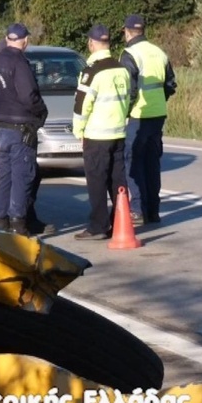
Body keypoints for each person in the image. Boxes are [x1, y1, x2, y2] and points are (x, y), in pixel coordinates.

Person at [0, 23, 49, 235]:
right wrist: (42, 112)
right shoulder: (19, 62)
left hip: (0, 128)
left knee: (5, 176)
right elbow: (29, 95)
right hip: (20, 128)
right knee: (22, 176)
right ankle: (18, 224)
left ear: (7, 38)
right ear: (25, 40)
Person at [72, 24, 132, 240]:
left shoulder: (92, 72)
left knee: (96, 181)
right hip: (118, 134)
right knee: (118, 181)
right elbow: (128, 99)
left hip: (97, 136)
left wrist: (79, 131)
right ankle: (120, 220)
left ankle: (98, 225)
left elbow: (82, 105)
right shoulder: (121, 69)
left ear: (92, 43)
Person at [119, 14, 176, 225]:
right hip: (158, 114)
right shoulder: (159, 52)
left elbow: (129, 90)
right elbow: (170, 84)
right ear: (143, 30)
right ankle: (153, 211)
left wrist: (125, 112)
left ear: (126, 32)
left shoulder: (129, 54)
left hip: (138, 115)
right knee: (152, 164)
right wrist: (159, 101)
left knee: (133, 162)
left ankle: (137, 210)